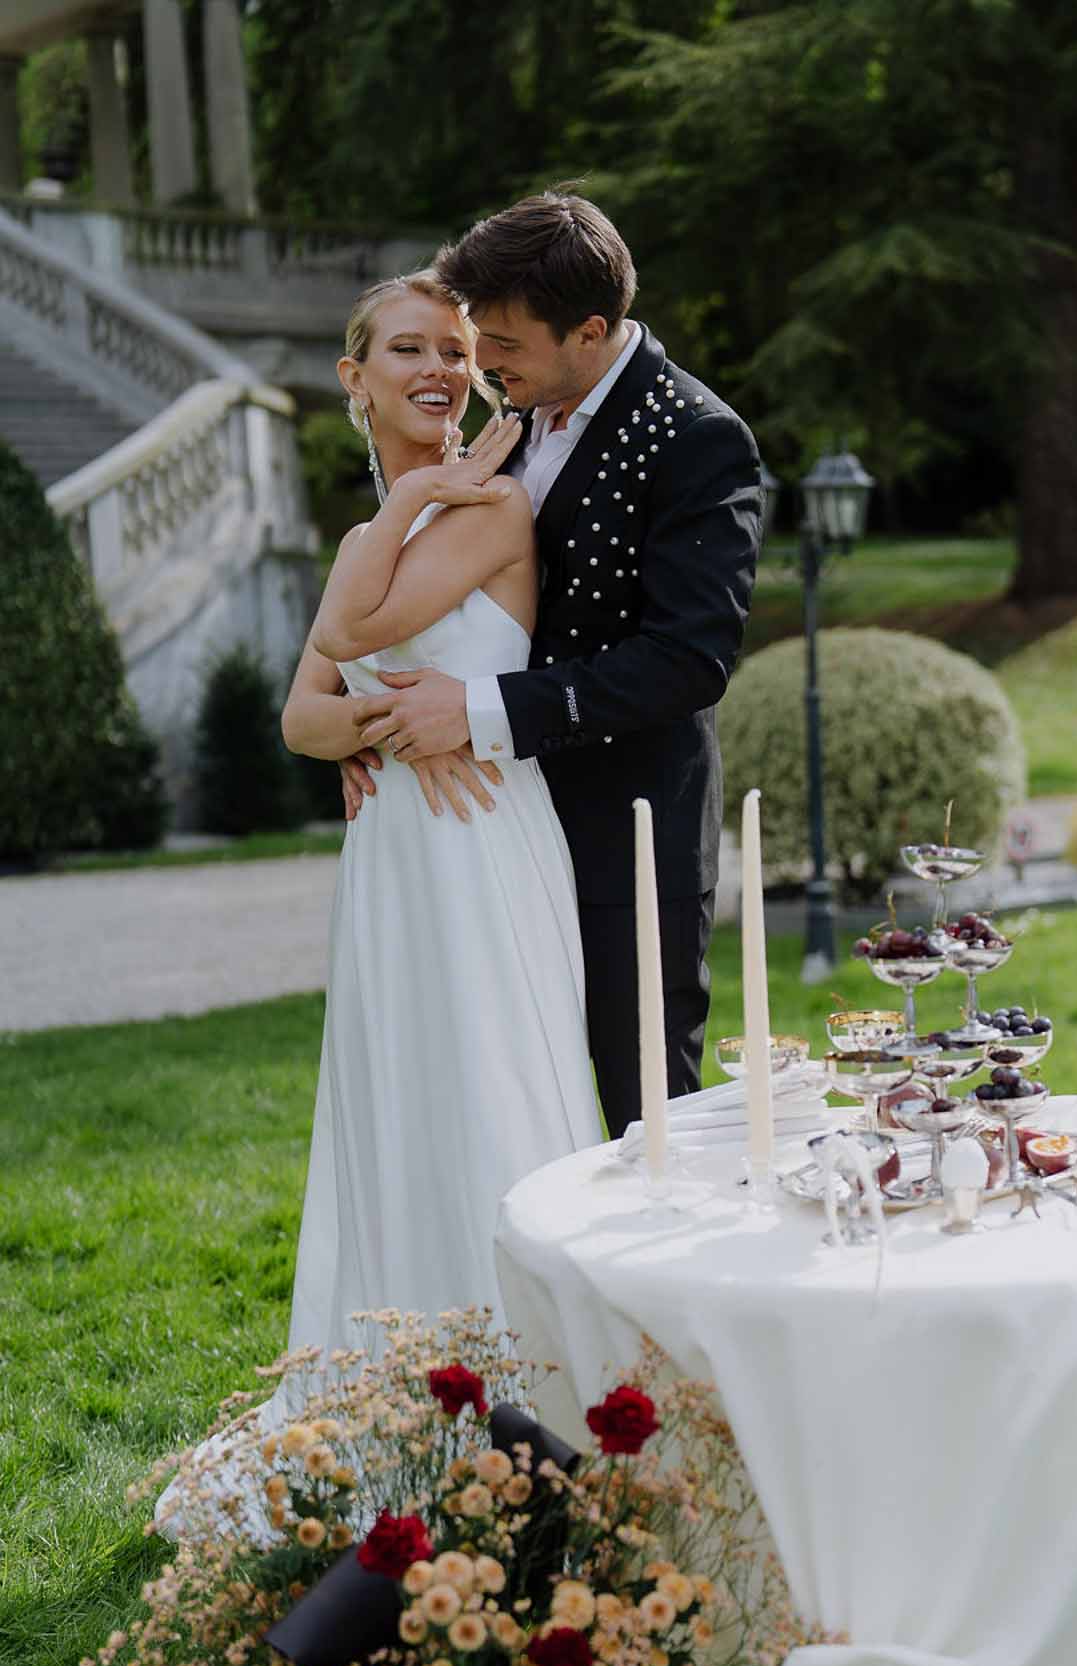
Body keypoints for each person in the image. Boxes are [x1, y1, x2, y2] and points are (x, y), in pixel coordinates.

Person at [340, 193, 765, 1139]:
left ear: (591, 330)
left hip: (627, 831)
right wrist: (363, 730)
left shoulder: (697, 436)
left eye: (501, 344)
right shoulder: (511, 423)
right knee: (499, 1102)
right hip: (491, 835)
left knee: (639, 1108)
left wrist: (477, 712)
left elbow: (688, 659)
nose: (480, 365)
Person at [261, 269, 601, 1383]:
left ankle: (526, 1392)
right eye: (409, 350)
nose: (442, 371)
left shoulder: (492, 509)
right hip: (395, 859)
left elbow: (351, 622)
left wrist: (415, 501)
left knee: (490, 1095)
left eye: (456, 351)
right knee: (398, 1104)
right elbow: (300, 716)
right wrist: (380, 727)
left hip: (484, 848)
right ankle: (392, 1389)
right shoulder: (382, 528)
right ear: (354, 378)